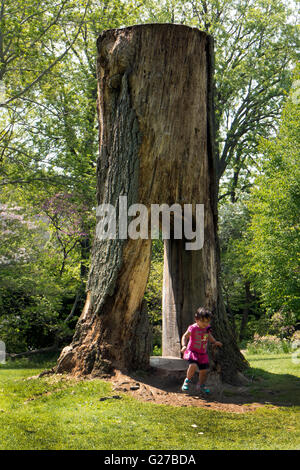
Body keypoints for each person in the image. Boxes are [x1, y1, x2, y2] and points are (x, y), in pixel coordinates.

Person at [181, 307, 222, 394]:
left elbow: (209, 336)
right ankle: (187, 380)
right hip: (192, 351)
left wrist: (214, 342)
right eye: (203, 321)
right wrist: (184, 345)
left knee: (204, 371)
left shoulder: (207, 328)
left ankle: (201, 385)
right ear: (196, 319)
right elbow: (185, 336)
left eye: (207, 321)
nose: (205, 323)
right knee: (193, 365)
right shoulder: (193, 328)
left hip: (202, 353)